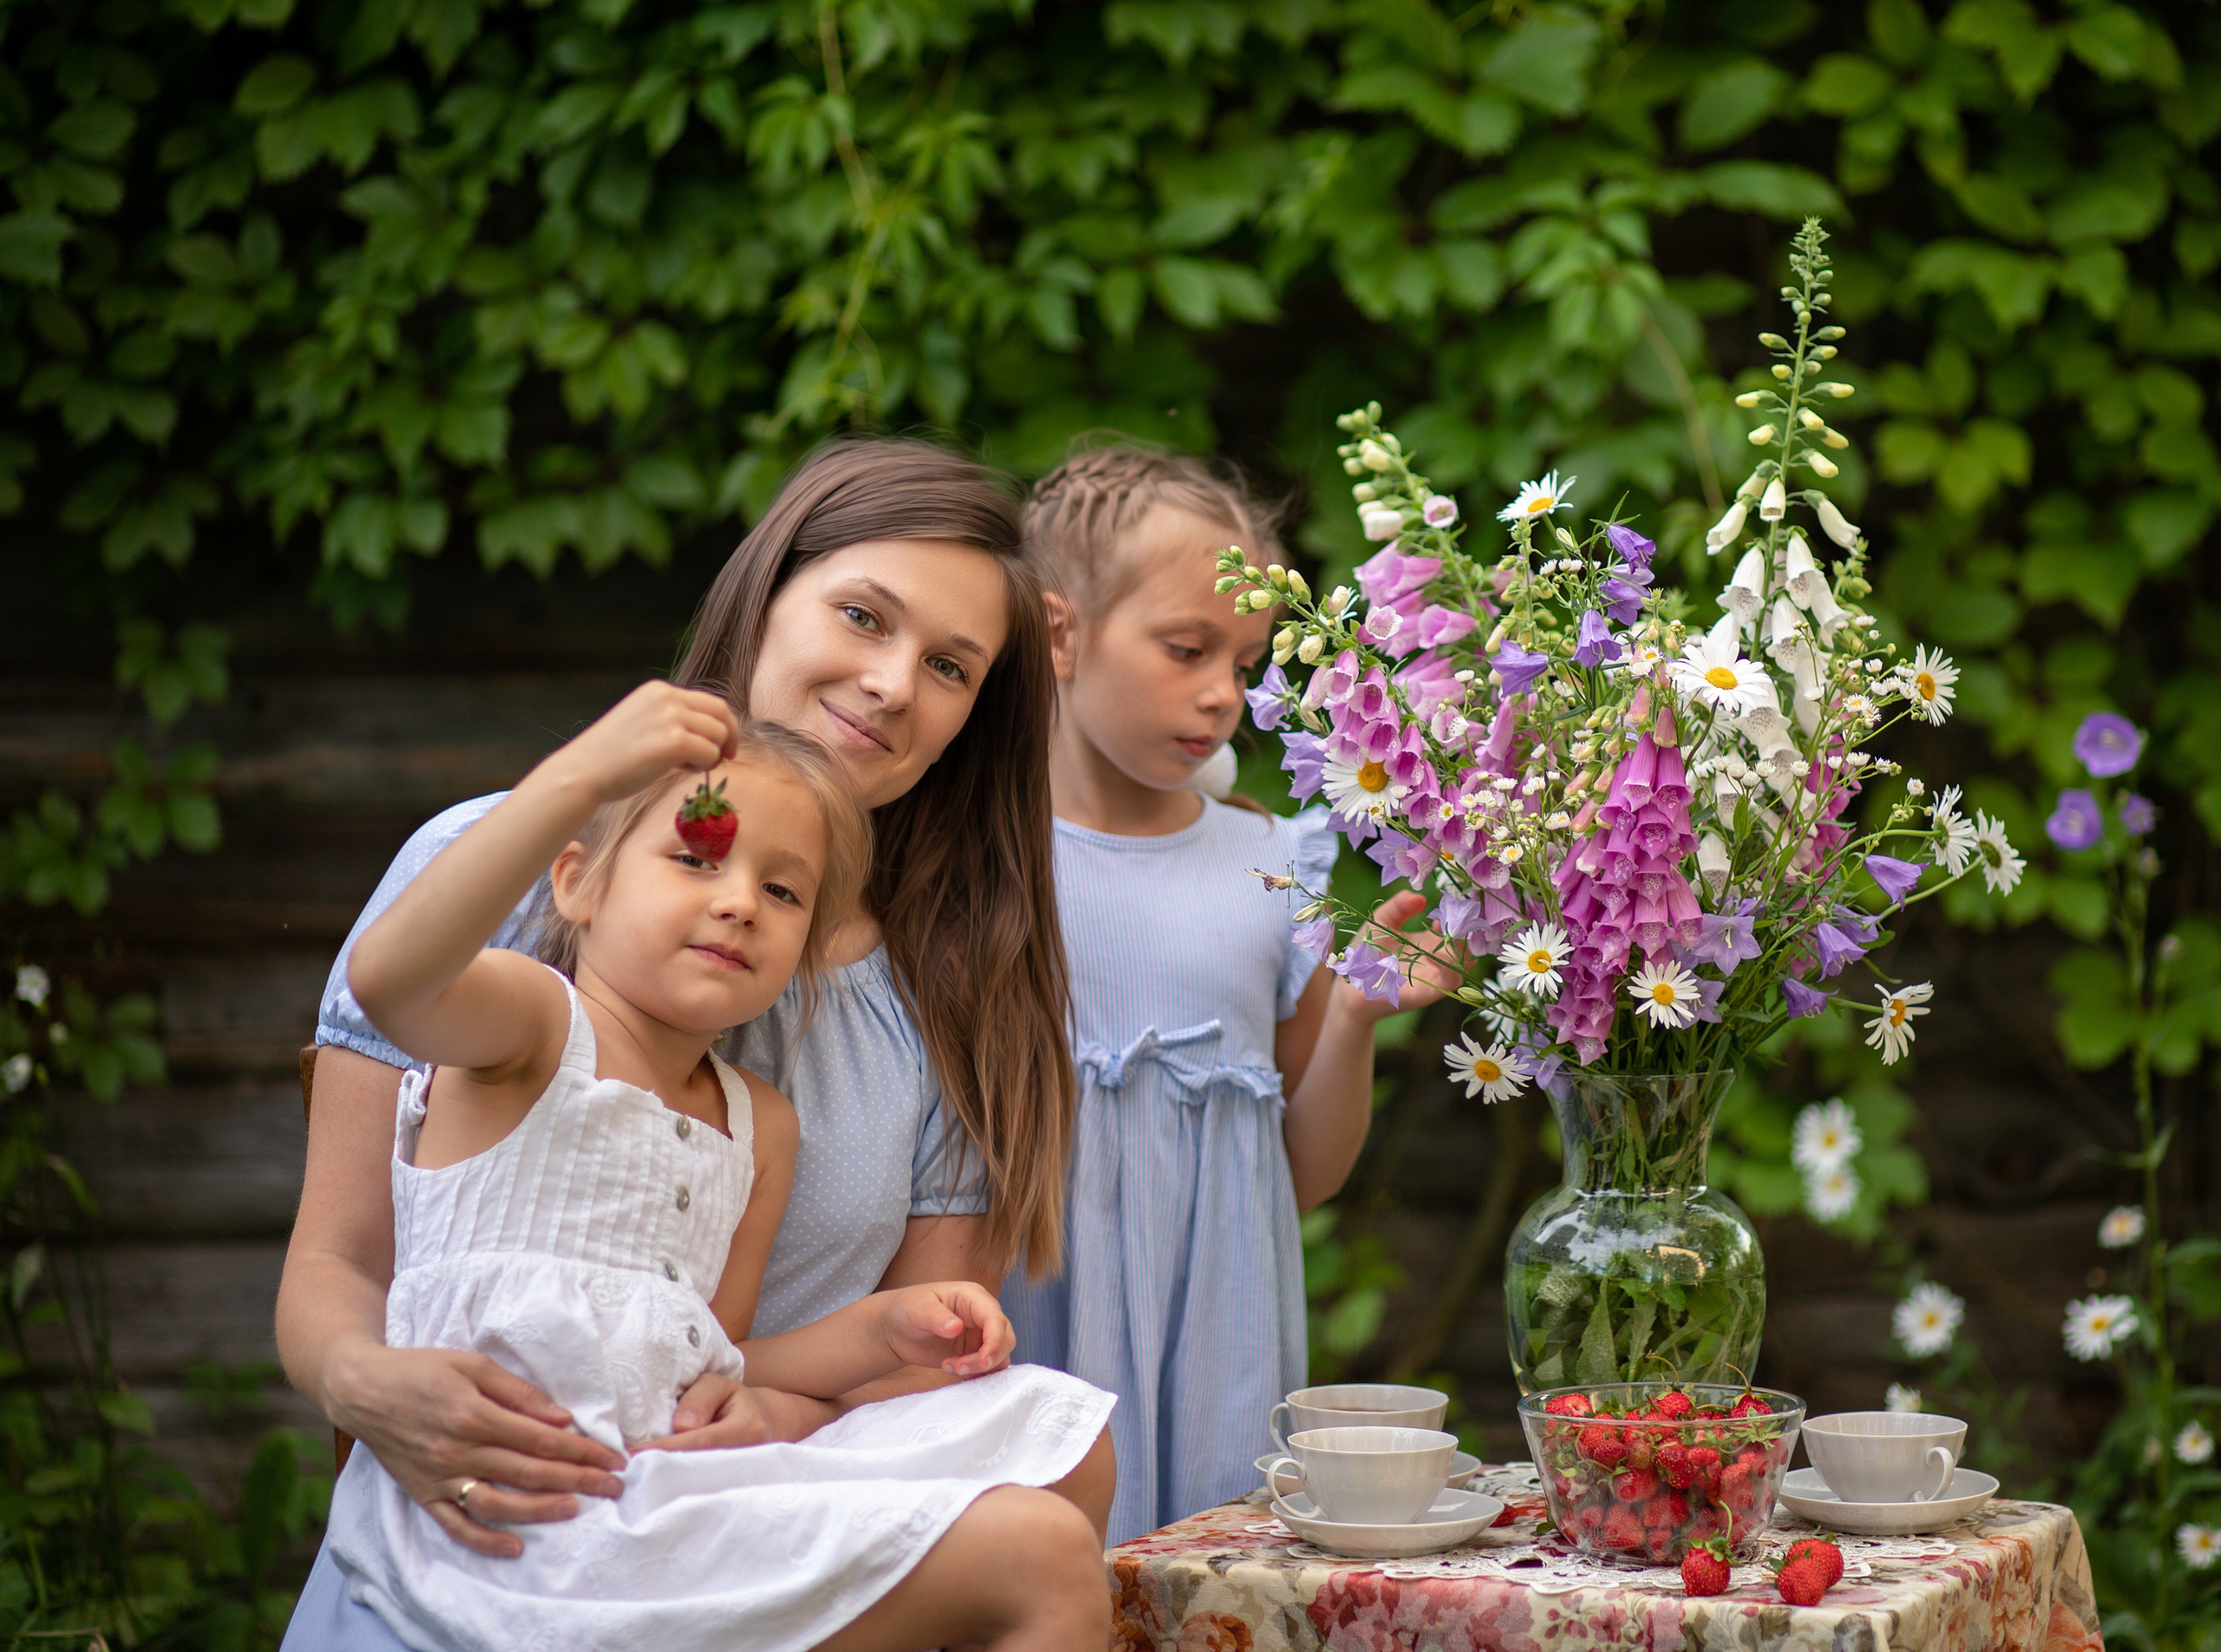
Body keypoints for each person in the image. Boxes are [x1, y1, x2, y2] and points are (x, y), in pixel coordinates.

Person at [279, 442, 1109, 1643]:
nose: (892, 683)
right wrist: (366, 1383)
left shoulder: (945, 991)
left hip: (742, 1490)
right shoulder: (495, 873)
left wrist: (783, 1416)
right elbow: (340, 1257)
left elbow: (829, 1357)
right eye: (863, 615)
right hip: (518, 1516)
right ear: (766, 595)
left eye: (948, 666)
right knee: (1034, 1544)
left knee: (1062, 1449)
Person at [1004, 449, 1451, 1544]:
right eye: (1186, 648)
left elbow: (1299, 1177)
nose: (1223, 693)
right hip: (1034, 1341)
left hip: (1224, 1350)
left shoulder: (1273, 864)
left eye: (1245, 660)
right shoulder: (987, 862)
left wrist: (1353, 1015)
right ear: (1060, 634)